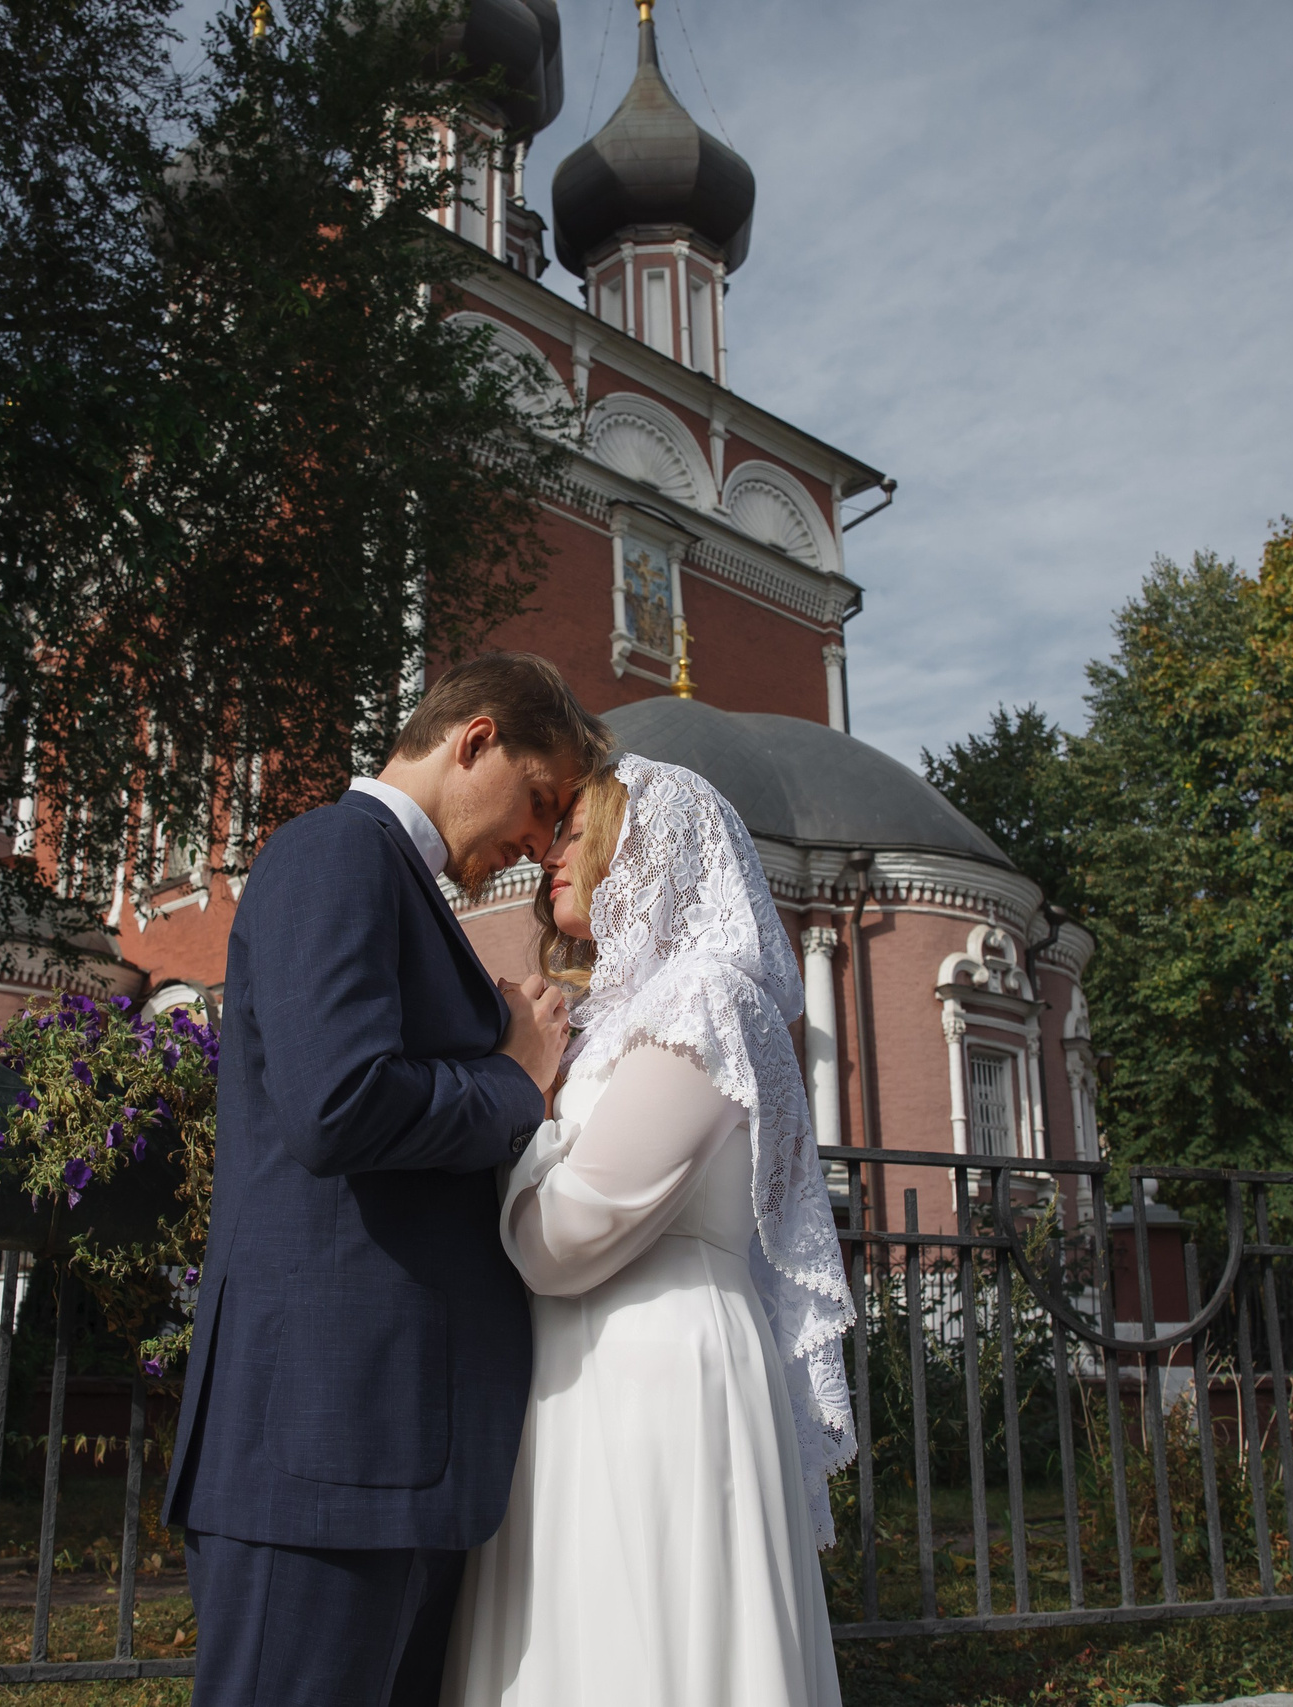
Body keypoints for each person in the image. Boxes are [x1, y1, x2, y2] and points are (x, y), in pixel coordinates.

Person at [163, 653, 609, 1707]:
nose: (537, 844)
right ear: (475, 740)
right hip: (325, 1444)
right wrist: (515, 1077)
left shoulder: (392, 878)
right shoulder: (335, 852)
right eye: (540, 802)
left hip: (389, 1445)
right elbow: (338, 1104)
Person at [444, 755, 856, 1707]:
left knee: (651, 1645)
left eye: (575, 832)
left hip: (655, 1371)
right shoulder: (609, 1014)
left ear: (652, 847)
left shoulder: (707, 999)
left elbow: (566, 1238)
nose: (547, 852)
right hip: (580, 1372)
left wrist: (526, 1086)